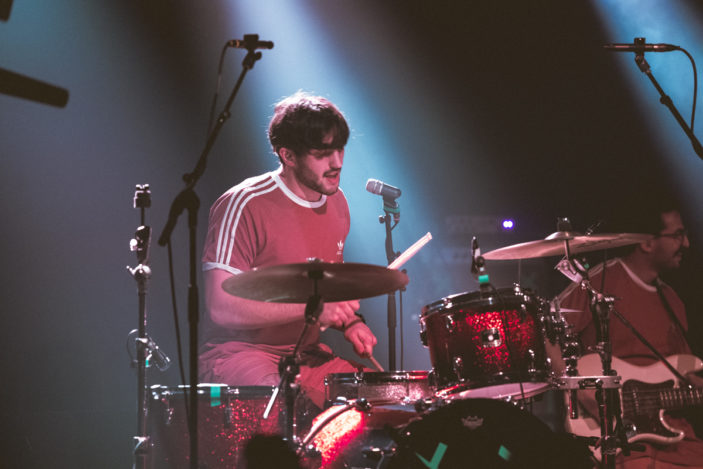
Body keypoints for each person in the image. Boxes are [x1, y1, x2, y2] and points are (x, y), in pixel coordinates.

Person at [198, 92, 377, 409]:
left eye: (339, 148)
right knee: (284, 410)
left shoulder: (337, 203)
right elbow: (220, 307)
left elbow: (327, 294)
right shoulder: (243, 204)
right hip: (240, 354)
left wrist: (350, 322)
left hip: (306, 356)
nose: (337, 163)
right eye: (322, 153)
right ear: (288, 156)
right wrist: (313, 309)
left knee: (382, 401)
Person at [556, 202, 703, 468]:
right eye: (678, 235)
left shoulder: (672, 299)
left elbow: (685, 373)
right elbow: (548, 333)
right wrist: (583, 394)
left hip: (675, 435)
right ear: (647, 242)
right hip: (623, 441)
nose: (687, 244)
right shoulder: (599, 282)